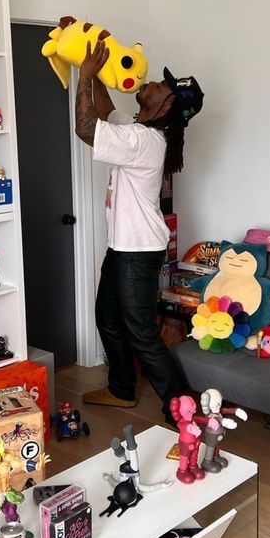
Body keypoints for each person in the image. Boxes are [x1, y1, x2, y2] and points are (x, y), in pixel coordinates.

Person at [74, 38, 204, 423]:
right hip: (123, 247)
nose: (149, 84)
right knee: (107, 318)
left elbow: (86, 127)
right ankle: (121, 389)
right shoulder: (135, 130)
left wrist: (82, 77)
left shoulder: (146, 140)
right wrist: (93, 72)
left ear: (166, 106)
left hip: (137, 250)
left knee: (142, 333)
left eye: (160, 87)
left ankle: (182, 408)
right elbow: (106, 111)